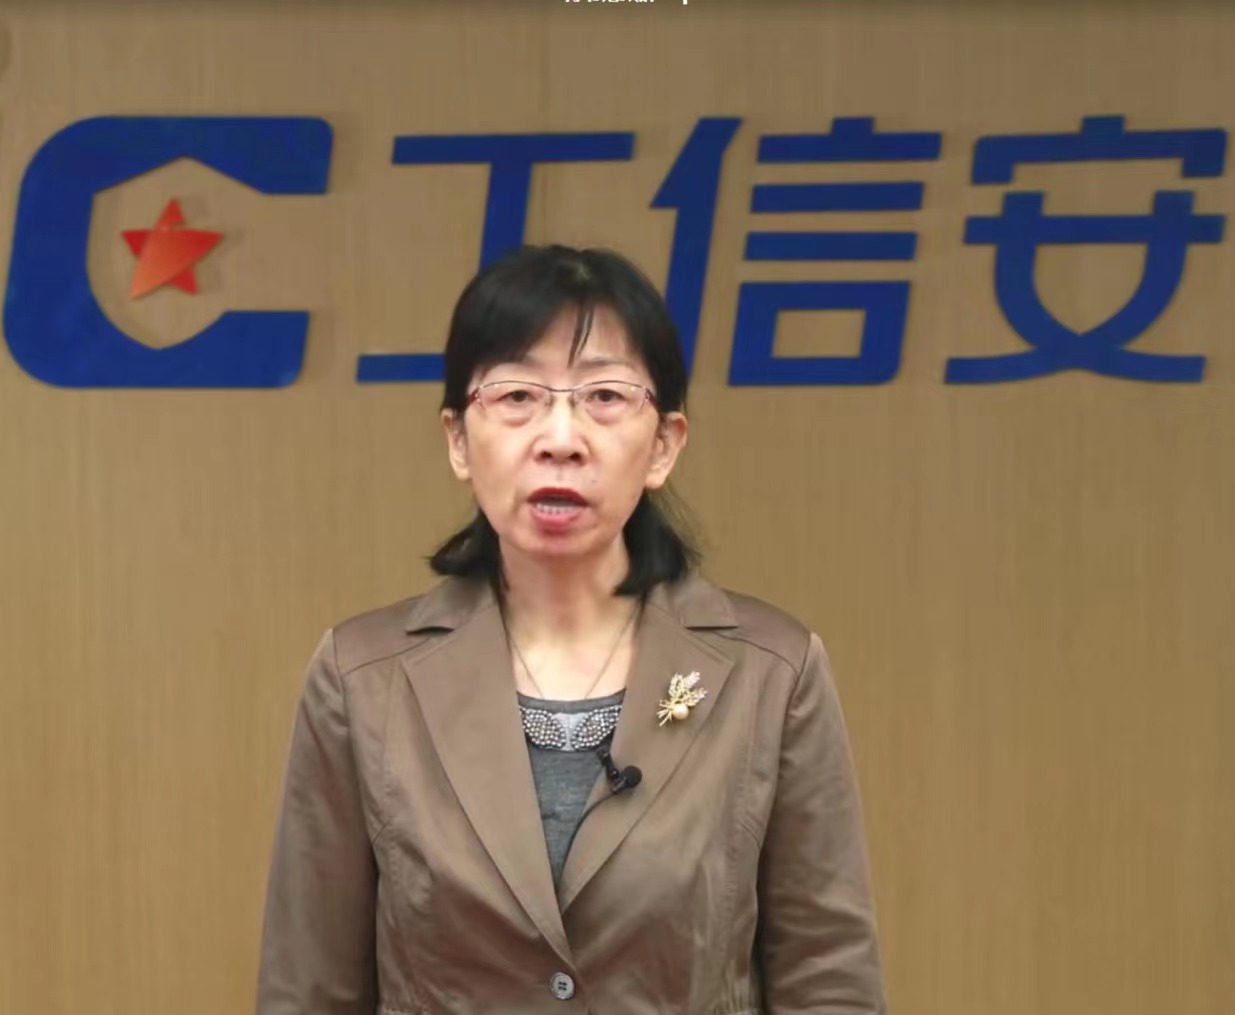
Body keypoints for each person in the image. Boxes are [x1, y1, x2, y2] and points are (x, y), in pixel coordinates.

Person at [256, 245, 886, 1013]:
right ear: (458, 439)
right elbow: (309, 987)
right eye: (518, 395)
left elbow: (829, 981)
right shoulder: (362, 679)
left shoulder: (771, 672)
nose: (560, 436)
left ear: (664, 444)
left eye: (605, 396)